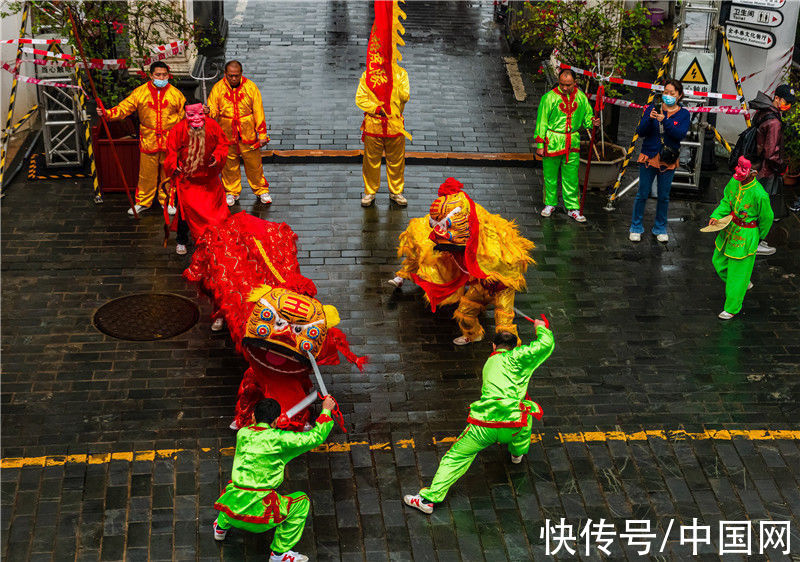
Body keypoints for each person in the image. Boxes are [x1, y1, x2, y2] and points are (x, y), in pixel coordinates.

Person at [403, 324, 553, 514]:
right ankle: (517, 453)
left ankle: (428, 499)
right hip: (514, 423)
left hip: (484, 425)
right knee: (526, 416)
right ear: (515, 347)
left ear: (493, 347)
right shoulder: (518, 358)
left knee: (456, 456)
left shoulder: (490, 363)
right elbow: (546, 343)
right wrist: (541, 328)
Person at [388, 178, 535, 345]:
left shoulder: (489, 241)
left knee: (504, 322)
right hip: (480, 286)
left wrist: (496, 282)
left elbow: (507, 266)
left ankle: (510, 354)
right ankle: (474, 335)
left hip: (502, 288)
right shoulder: (464, 230)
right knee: (464, 312)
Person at [213, 396, 337, 562]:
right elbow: (315, 437)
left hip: (232, 510)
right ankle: (279, 554)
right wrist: (326, 410)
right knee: (302, 503)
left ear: (253, 417)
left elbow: (259, 433)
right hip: (261, 516)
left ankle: (220, 529)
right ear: (276, 420)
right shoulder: (281, 439)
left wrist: (274, 425)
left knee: (233, 487)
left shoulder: (242, 434)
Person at [99, 61, 185, 216]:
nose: (161, 77)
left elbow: (184, 116)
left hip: (170, 140)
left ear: (168, 75)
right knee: (146, 174)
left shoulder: (176, 94)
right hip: (148, 139)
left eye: (164, 75)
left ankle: (168, 201)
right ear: (151, 75)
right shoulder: (140, 92)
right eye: (158, 75)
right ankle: (143, 201)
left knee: (169, 174)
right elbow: (125, 108)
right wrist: (107, 113)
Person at [708, 157, 773, 320]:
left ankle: (732, 307)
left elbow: (767, 218)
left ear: (754, 173)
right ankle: (743, 283)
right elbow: (726, 201)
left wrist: (758, 237)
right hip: (729, 230)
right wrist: (716, 215)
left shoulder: (760, 194)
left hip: (746, 236)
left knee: (736, 276)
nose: (737, 172)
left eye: (743, 169)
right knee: (718, 262)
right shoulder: (734, 181)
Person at [163, 99, 229, 256]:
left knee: (215, 212)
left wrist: (218, 156)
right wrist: (174, 164)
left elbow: (223, 144)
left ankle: (213, 237)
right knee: (184, 215)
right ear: (186, 114)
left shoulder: (213, 126)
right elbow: (171, 150)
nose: (196, 118)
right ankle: (181, 240)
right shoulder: (178, 130)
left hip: (209, 181)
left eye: (200, 114)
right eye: (192, 114)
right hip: (187, 181)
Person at [629, 79, 691, 243]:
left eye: (672, 93)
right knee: (642, 193)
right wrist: (649, 119)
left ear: (679, 96)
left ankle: (660, 228)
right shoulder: (652, 108)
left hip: (668, 159)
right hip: (649, 157)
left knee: (664, 196)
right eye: (666, 92)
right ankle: (636, 227)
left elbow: (679, 134)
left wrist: (665, 120)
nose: (668, 96)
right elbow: (641, 132)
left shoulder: (684, 114)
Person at [534, 68, 600, 222]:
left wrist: (593, 122)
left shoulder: (581, 97)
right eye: (562, 84)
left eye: (568, 85)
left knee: (571, 177)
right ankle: (550, 203)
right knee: (550, 176)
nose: (565, 88)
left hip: (572, 143)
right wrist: (540, 144)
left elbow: (587, 116)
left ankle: (572, 207)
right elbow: (541, 121)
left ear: (574, 83)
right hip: (552, 141)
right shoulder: (548, 98)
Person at [207, 60, 272, 206]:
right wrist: (209, 112)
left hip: (247, 132)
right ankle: (231, 191)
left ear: (241, 74)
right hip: (226, 132)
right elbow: (213, 110)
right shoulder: (218, 88)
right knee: (229, 165)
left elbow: (258, 111)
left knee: (254, 164)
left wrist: (262, 134)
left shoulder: (250, 87)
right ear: (225, 74)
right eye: (231, 76)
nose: (234, 79)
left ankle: (261, 190)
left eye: (236, 76)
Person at [355, 64, 410, 207]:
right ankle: (370, 191)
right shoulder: (368, 75)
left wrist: (393, 84)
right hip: (374, 125)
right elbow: (360, 99)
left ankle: (396, 191)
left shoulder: (401, 74)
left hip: (394, 125)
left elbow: (405, 96)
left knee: (396, 161)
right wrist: (377, 109)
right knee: (371, 161)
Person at [750, 84, 795, 254]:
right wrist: (782, 166)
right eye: (786, 101)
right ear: (777, 98)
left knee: (753, 205)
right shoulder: (774, 121)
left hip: (756, 167)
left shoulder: (763, 111)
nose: (788, 105)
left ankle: (750, 240)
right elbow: (771, 154)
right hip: (766, 171)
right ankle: (755, 243)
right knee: (761, 209)